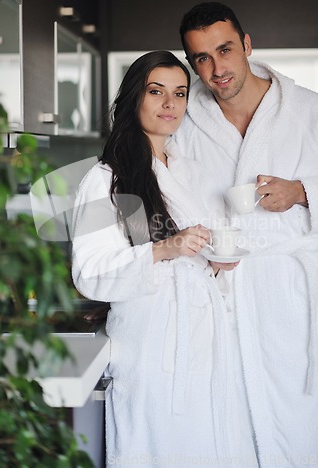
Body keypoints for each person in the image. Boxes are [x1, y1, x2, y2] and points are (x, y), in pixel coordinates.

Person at [71, 50, 258, 466]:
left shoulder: (192, 171)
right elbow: (91, 273)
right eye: (157, 92)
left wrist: (214, 263)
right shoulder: (104, 179)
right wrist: (164, 249)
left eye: (180, 93)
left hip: (207, 343)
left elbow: (201, 254)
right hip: (153, 350)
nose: (170, 104)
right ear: (135, 97)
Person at [175, 2, 318, 466]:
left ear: (247, 45)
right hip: (220, 293)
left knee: (297, 420)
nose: (217, 69)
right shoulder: (183, 122)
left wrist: (301, 191)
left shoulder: (307, 109)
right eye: (201, 58)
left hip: (290, 295)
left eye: (225, 50)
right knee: (228, 424)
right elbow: (152, 194)